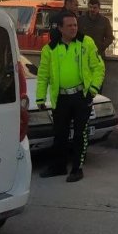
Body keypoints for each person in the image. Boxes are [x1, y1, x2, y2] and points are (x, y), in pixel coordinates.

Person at [36, 10, 105, 182]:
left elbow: (99, 67)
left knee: (80, 134)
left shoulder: (86, 42)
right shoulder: (50, 49)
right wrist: (40, 98)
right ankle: (58, 166)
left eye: (75, 25)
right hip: (61, 98)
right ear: (60, 28)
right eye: (69, 25)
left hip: (81, 96)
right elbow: (43, 75)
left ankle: (76, 168)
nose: (74, 28)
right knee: (60, 134)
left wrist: (93, 90)